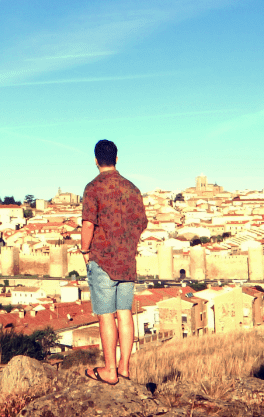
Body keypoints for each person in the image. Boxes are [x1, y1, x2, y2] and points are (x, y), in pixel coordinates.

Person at [80, 139, 148, 385]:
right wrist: (128, 245)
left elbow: (88, 223)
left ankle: (109, 371)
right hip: (127, 262)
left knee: (106, 315)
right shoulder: (132, 188)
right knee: (125, 313)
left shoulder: (93, 187)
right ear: (117, 159)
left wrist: (85, 250)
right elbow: (141, 223)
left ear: (96, 160)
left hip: (103, 260)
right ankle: (124, 368)